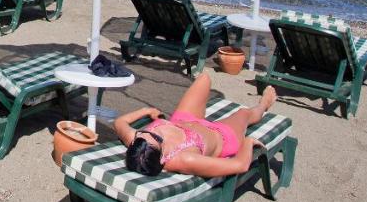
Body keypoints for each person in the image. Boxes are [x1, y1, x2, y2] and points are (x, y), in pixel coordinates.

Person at [114, 72, 276, 178]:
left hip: (185, 120)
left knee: (204, 79)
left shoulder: (138, 142)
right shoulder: (185, 159)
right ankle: (264, 104)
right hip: (222, 136)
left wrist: (146, 110)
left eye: (145, 132)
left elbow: (119, 122)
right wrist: (248, 142)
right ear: (162, 157)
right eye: (157, 137)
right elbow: (240, 165)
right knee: (244, 113)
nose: (150, 131)